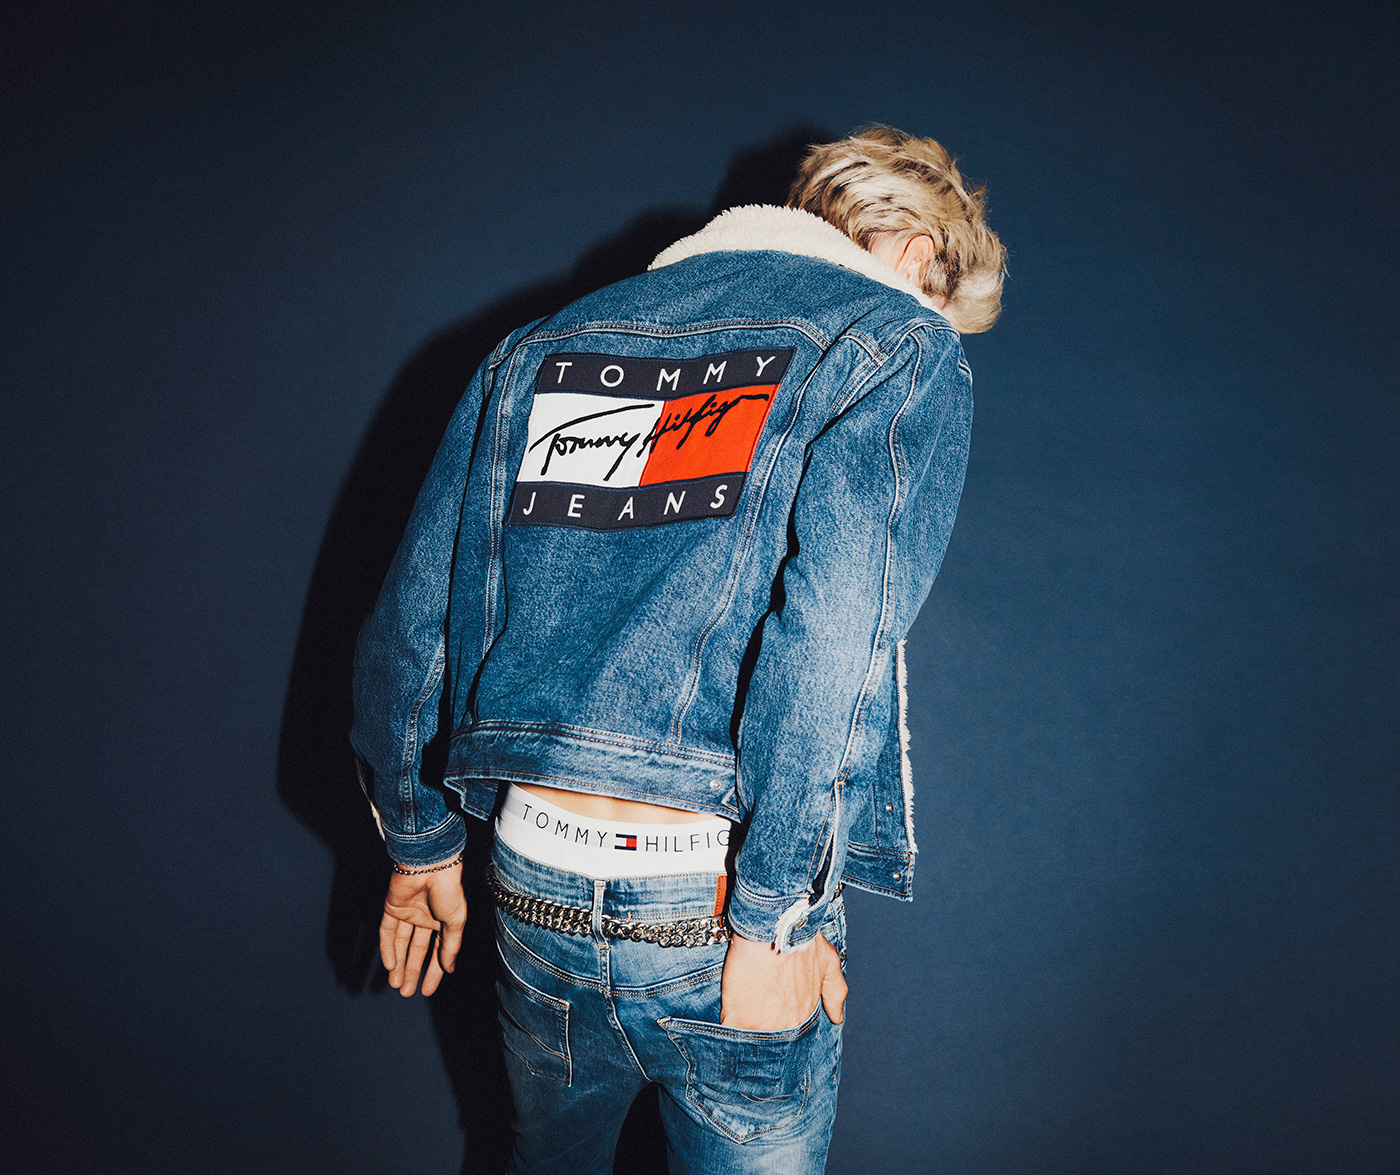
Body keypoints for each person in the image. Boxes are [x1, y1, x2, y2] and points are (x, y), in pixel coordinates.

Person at [351, 126, 1005, 1174]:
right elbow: (830, 636)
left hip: (533, 875)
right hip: (718, 898)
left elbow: (411, 625)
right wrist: (775, 918)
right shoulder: (896, 340)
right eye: (938, 299)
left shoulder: (542, 345)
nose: (934, 320)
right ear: (916, 249)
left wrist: (418, 842)